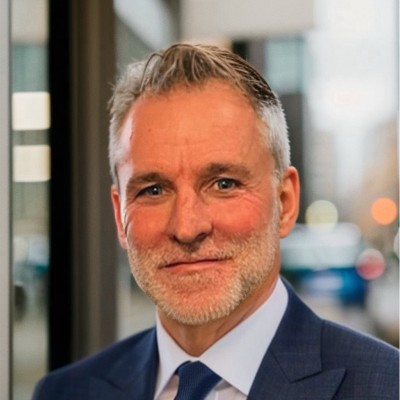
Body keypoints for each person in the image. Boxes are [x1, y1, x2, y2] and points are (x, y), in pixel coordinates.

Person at [33, 43, 399, 400]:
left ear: (285, 203)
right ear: (120, 215)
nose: (187, 227)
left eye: (224, 184)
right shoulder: (65, 393)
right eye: (153, 190)